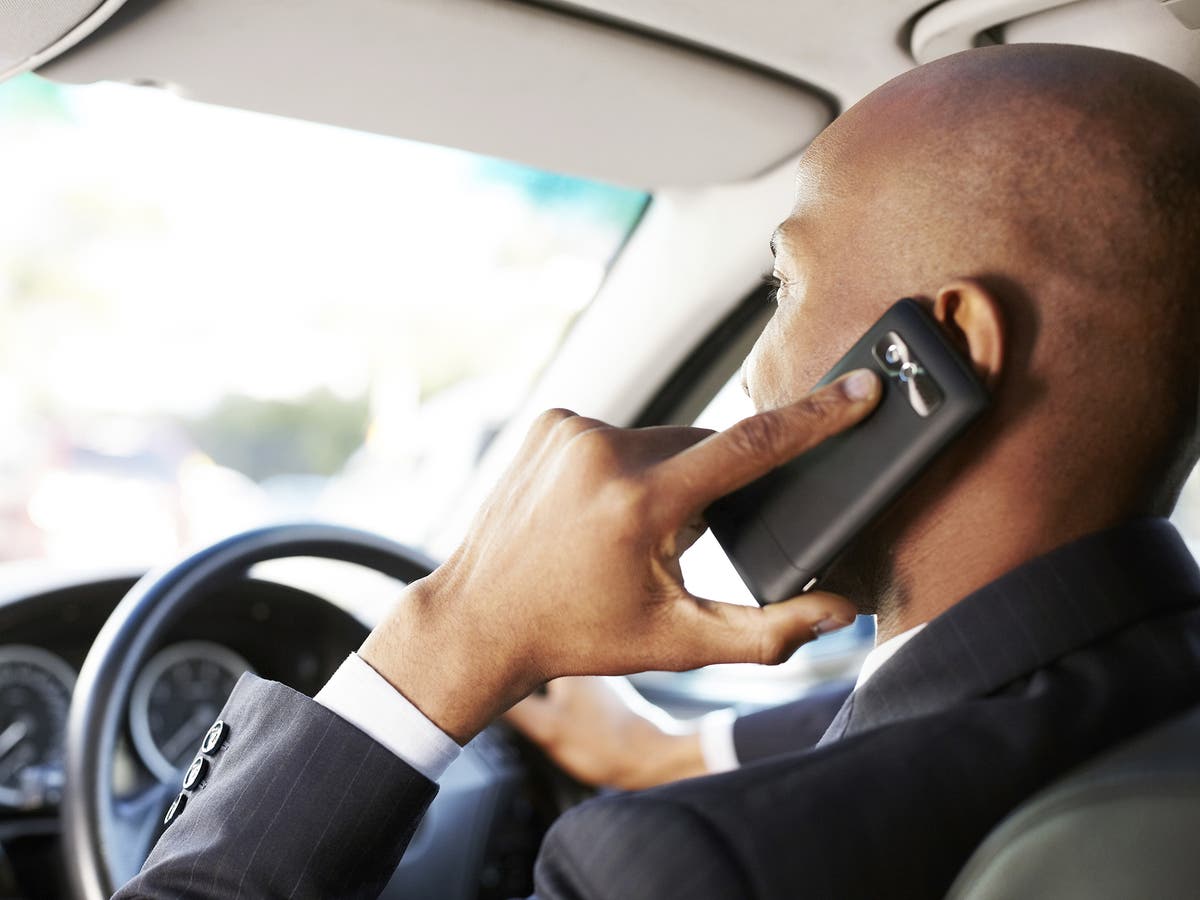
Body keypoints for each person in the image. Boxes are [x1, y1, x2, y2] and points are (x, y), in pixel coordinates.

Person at [115, 43, 1200, 899]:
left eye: (781, 286)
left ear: (941, 351)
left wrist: (452, 632)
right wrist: (665, 746)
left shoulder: (687, 868)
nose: (751, 372)